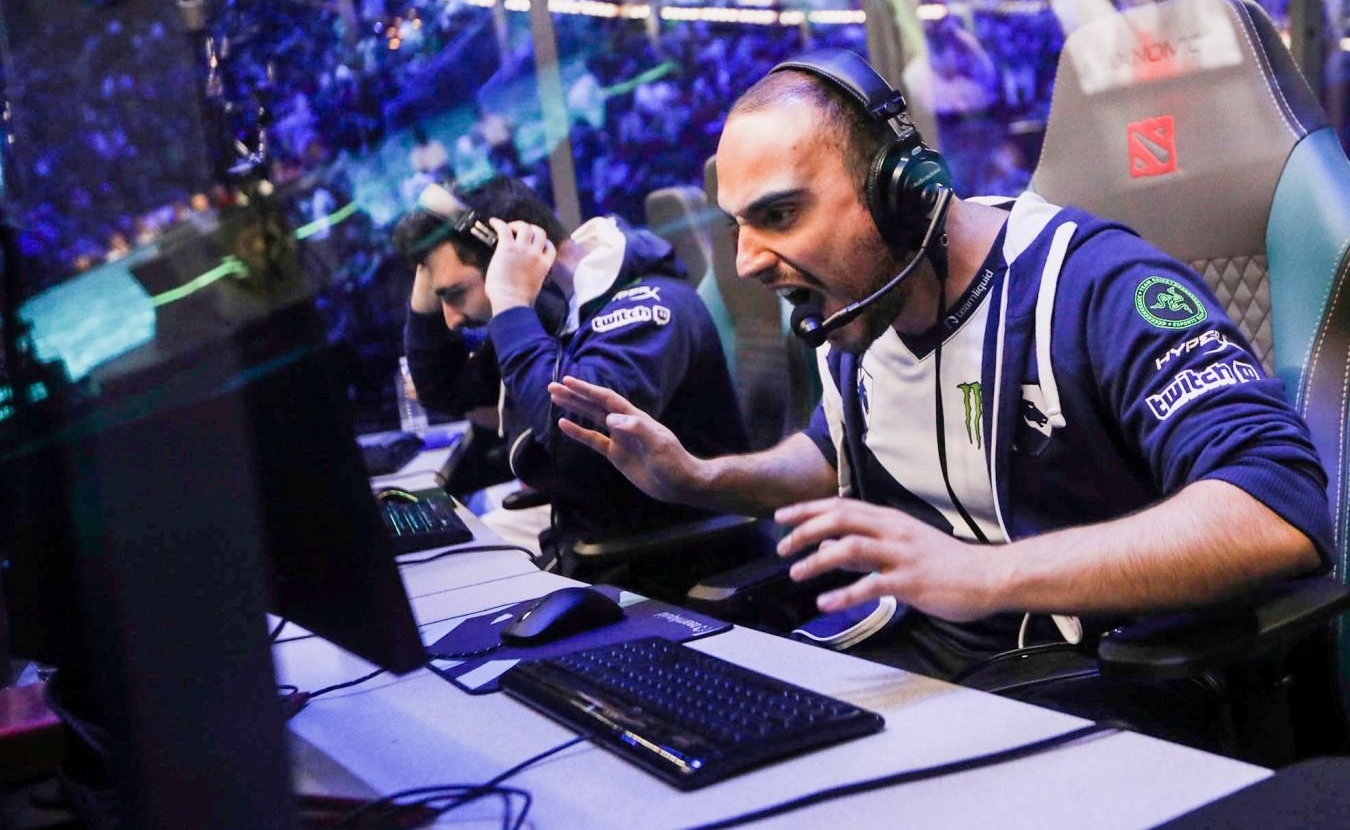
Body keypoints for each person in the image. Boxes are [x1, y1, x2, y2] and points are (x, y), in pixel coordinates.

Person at [549, 50, 1331, 698]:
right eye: (738, 227)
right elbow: (832, 454)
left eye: (779, 215)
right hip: (933, 666)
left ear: (900, 192)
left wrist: (985, 575)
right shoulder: (857, 312)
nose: (748, 260)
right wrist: (700, 478)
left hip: (1092, 681)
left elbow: (1277, 511)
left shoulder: (1094, 288)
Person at [395, 175, 748, 571]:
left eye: (455, 293)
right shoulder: (557, 310)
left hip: (661, 559)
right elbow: (443, 390)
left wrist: (510, 301)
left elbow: (572, 435)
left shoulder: (651, 308)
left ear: (507, 255)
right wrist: (426, 279)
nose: (452, 320)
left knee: (450, 573)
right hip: (588, 528)